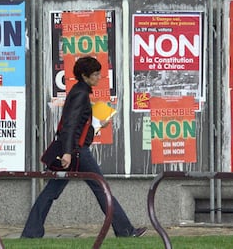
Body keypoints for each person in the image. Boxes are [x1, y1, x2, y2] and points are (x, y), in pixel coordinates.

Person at [21, 56, 147, 238]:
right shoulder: (80, 94)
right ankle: (125, 230)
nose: (99, 77)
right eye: (95, 74)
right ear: (84, 75)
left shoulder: (78, 91)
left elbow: (78, 125)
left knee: (51, 191)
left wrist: (96, 127)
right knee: (101, 189)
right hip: (77, 153)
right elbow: (70, 125)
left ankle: (31, 233)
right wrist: (67, 153)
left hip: (73, 151)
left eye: (99, 73)